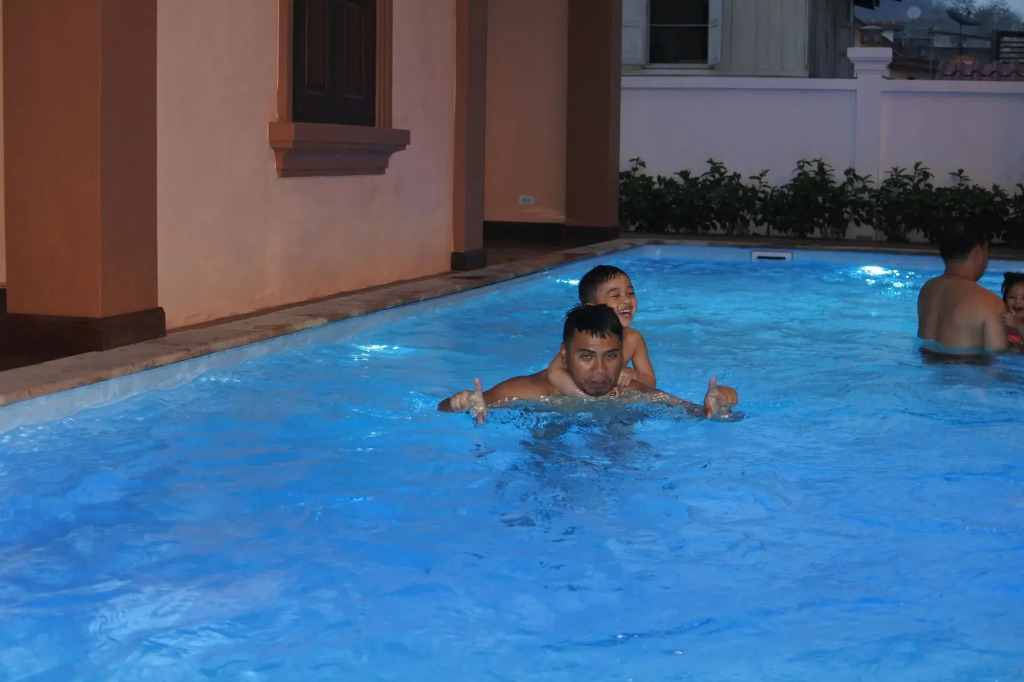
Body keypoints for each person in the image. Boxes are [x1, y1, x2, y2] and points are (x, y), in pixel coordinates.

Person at [438, 304, 738, 424]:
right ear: (564, 355)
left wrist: (720, 409)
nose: (600, 370)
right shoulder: (530, 390)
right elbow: (446, 409)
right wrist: (459, 404)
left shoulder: (628, 391)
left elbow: (698, 414)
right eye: (585, 356)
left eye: (610, 356)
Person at [545, 265, 655, 396]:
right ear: (591, 308)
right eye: (615, 295)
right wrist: (587, 399)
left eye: (630, 293)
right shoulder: (584, 342)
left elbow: (650, 382)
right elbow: (554, 373)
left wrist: (634, 374)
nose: (626, 300)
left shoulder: (634, 338)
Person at [917, 223, 1009, 353]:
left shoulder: (927, 290)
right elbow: (999, 355)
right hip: (966, 364)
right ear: (978, 251)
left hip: (926, 362)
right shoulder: (990, 302)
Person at [999, 272, 1024, 348]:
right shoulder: (1002, 318)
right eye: (1012, 297)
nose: (1017, 301)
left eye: (1023, 298)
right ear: (1005, 300)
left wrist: (1018, 325)